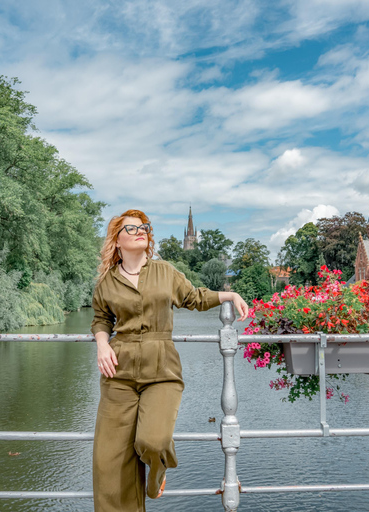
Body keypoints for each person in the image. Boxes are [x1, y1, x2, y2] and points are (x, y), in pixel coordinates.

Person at [91, 209, 248, 512]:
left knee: (154, 441)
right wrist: (101, 344)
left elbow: (194, 298)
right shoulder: (107, 283)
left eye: (144, 227)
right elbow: (100, 319)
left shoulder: (165, 272)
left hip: (162, 372)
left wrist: (229, 296)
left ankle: (157, 472)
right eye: (132, 228)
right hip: (118, 375)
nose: (140, 231)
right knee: (108, 465)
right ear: (117, 240)